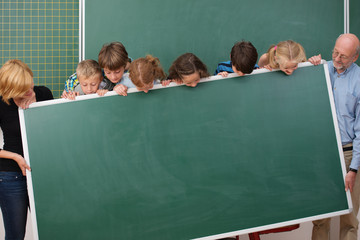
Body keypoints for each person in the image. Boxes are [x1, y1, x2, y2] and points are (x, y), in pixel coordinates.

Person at [309, 33, 360, 240]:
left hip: (349, 155)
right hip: (323, 154)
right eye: (335, 53)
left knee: (349, 219)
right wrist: (308, 65)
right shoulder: (320, 69)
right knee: (321, 216)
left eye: (344, 56)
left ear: (354, 57)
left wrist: (353, 169)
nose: (337, 59)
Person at [0, 59, 53, 239]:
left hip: (43, 172)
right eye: (23, 89)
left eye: (29, 83)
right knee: (15, 235)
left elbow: (57, 130)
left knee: (51, 229)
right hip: (11, 176)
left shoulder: (44, 93)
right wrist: (16, 157)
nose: (30, 90)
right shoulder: (2, 104)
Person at [62, 41, 132, 96]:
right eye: (108, 72)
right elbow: (74, 78)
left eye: (117, 72)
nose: (113, 77)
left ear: (124, 65)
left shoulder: (133, 72)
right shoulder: (102, 71)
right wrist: (69, 92)